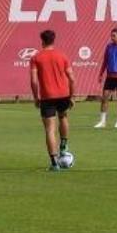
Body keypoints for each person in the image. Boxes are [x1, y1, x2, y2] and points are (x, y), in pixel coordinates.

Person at [29, 30, 76, 171]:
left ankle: (54, 163)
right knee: (63, 117)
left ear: (42, 41)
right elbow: (72, 78)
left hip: (47, 96)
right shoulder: (62, 56)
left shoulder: (36, 58)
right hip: (63, 94)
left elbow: (33, 80)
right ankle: (64, 144)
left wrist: (36, 97)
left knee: (50, 129)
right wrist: (72, 96)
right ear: (53, 40)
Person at [94, 28, 117, 129]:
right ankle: (102, 121)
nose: (112, 37)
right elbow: (105, 61)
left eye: (114, 35)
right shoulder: (108, 47)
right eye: (111, 35)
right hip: (109, 77)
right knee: (104, 98)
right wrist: (101, 74)